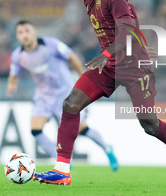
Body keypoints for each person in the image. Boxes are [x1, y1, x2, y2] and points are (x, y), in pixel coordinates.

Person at [35, 0, 166, 185]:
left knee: (149, 124)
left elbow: (128, 30)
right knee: (70, 104)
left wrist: (107, 53)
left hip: (133, 68)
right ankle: (62, 169)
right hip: (109, 67)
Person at [6, 20, 118, 171]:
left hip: (65, 94)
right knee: (36, 130)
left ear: (33, 32)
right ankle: (62, 160)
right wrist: (12, 84)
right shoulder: (18, 55)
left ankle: (107, 148)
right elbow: (14, 74)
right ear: (17, 36)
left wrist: (82, 76)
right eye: (20, 32)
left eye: (27, 31)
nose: (24, 35)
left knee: (81, 129)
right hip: (43, 96)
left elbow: (71, 56)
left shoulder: (50, 44)